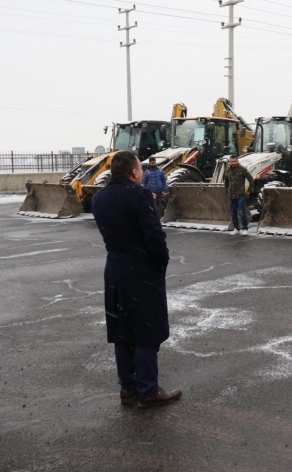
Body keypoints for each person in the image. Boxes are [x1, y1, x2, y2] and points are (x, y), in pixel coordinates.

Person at [91, 150, 182, 409]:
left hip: (114, 269)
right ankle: (148, 390)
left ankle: (127, 387)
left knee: (122, 331)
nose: (142, 174)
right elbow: (155, 237)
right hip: (141, 271)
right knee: (146, 332)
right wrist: (161, 262)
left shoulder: (99, 198)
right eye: (140, 170)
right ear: (133, 172)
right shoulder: (140, 196)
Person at [224, 154, 255, 236]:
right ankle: (236, 228)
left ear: (237, 161)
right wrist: (226, 190)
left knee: (242, 213)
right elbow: (226, 181)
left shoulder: (242, 169)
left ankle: (245, 228)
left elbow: (251, 179)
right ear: (229, 162)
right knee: (233, 213)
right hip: (231, 195)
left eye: (234, 161)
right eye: (231, 161)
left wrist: (249, 190)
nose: (233, 163)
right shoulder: (227, 170)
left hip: (240, 194)